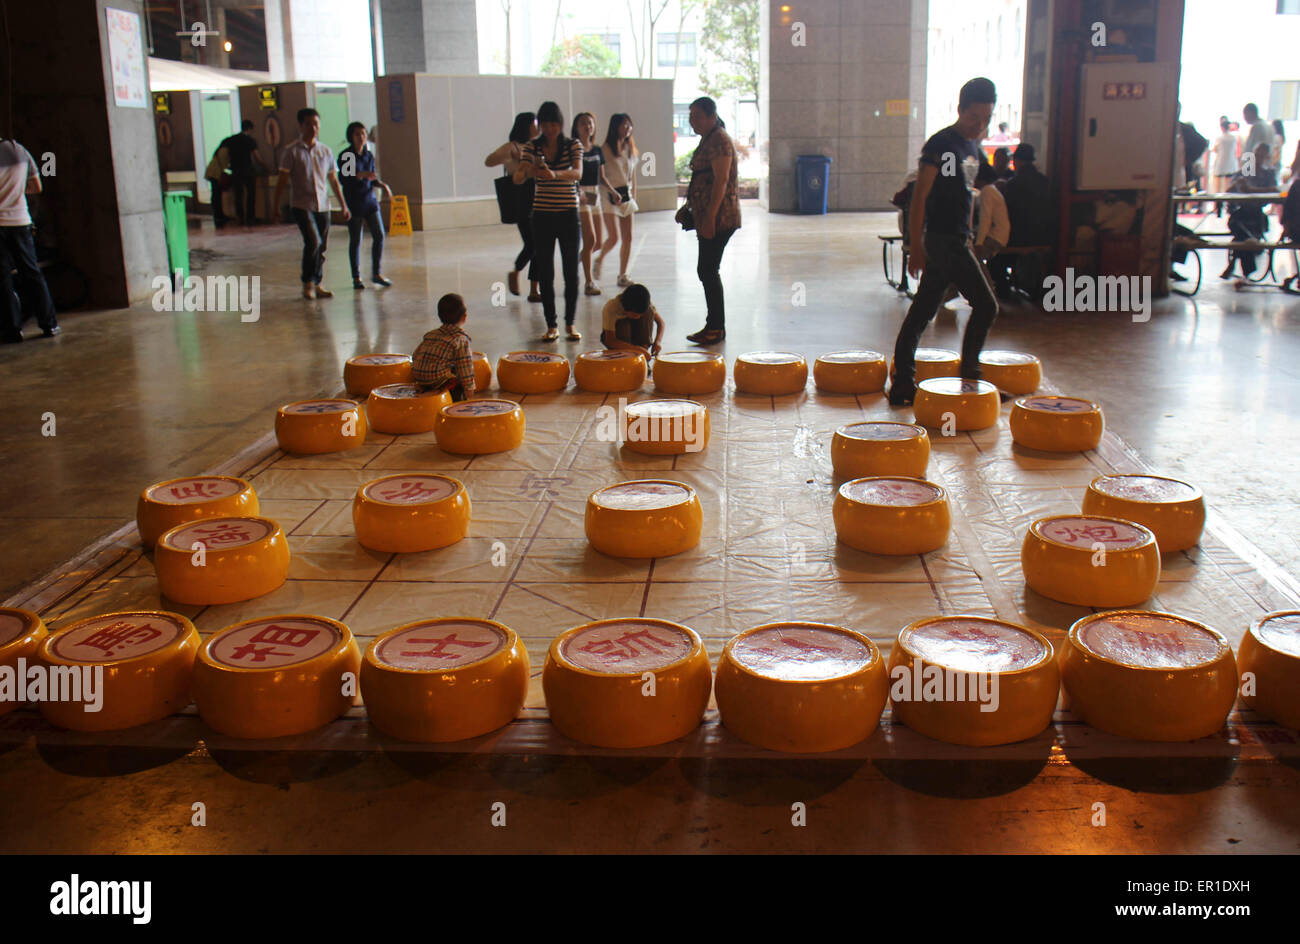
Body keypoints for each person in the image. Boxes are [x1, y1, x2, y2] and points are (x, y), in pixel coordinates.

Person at [888, 77, 998, 407]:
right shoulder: (940, 145)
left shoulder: (972, 147)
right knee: (987, 305)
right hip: (941, 239)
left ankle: (903, 384)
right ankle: (971, 378)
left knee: (923, 310)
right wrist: (916, 246)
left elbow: (970, 193)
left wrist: (971, 238)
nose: (980, 124)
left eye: (986, 119)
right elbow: (920, 197)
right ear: (960, 110)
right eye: (974, 117)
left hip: (957, 239)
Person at [513, 101, 583, 341]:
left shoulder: (573, 145)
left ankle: (570, 324)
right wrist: (528, 171)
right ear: (539, 125)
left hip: (568, 214)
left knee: (571, 270)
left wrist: (554, 174)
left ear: (561, 124)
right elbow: (518, 177)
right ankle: (551, 324)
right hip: (541, 215)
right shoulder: (532, 147)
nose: (550, 128)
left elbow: (577, 173)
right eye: (545, 124)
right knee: (545, 271)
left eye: (553, 124)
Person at [273, 108, 350, 300]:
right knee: (313, 241)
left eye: (316, 124)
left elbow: (333, 180)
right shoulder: (291, 151)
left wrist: (343, 205)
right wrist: (275, 205)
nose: (313, 128)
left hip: (323, 205)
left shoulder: (326, 151)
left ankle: (317, 282)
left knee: (321, 246)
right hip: (301, 204)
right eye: (308, 124)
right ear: (301, 126)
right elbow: (282, 180)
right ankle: (307, 283)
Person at [683, 97, 740, 345]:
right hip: (708, 215)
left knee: (707, 269)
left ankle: (716, 327)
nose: (691, 120)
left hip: (720, 218)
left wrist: (710, 218)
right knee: (706, 269)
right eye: (690, 115)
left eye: (696, 115)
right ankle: (714, 325)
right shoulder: (709, 139)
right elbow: (701, 179)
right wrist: (688, 208)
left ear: (711, 116)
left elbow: (721, 181)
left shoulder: (719, 141)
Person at [0, 138, 59, 342]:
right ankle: (49, 324)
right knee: (32, 272)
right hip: (20, 221)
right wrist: (15, 192)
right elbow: (36, 186)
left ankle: (13, 330)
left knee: (3, 278)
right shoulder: (19, 150)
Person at [486, 112, 540, 301]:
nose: (538, 127)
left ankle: (534, 289)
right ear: (525, 126)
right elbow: (489, 160)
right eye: (534, 124)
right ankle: (516, 272)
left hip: (540, 199)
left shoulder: (537, 146)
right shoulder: (513, 146)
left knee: (538, 246)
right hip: (522, 199)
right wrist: (513, 159)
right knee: (533, 244)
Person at [338, 122, 392, 290]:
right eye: (357, 134)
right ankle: (356, 276)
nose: (361, 137)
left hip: (369, 200)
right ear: (351, 137)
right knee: (356, 239)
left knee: (379, 235)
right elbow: (345, 180)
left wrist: (382, 185)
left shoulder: (368, 155)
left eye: (363, 134)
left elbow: (372, 178)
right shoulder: (347, 156)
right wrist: (360, 175)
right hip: (354, 201)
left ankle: (376, 273)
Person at [1224, 143, 1277, 286]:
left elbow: (1274, 190)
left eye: (1261, 155)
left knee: (1239, 237)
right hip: (1242, 212)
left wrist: (1251, 189)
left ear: (1266, 157)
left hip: (1257, 214)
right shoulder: (1245, 171)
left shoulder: (1268, 174)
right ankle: (1251, 249)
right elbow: (1228, 190)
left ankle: (1235, 263)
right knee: (1239, 228)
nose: (1258, 158)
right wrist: (1237, 185)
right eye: (1256, 154)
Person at [572, 111, 612, 296]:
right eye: (583, 123)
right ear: (576, 127)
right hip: (581, 195)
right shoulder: (574, 148)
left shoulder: (597, 150)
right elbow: (572, 174)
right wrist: (578, 190)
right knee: (591, 239)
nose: (587, 126)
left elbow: (602, 176)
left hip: (595, 193)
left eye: (590, 123)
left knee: (597, 242)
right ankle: (589, 282)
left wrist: (613, 191)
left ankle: (573, 264)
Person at [596, 113, 638, 287]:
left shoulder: (630, 148)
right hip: (610, 195)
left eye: (629, 125)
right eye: (624, 125)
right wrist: (612, 192)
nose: (627, 129)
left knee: (628, 237)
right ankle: (600, 259)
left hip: (626, 195)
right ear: (615, 127)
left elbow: (632, 175)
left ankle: (622, 274)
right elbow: (601, 176)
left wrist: (634, 194)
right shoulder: (605, 149)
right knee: (613, 237)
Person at [411, 293, 476, 401]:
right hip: (438, 379)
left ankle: (426, 388)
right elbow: (465, 367)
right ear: (464, 317)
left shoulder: (431, 334)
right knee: (457, 373)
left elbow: (415, 355)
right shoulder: (460, 339)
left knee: (447, 364)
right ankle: (451, 399)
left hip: (418, 376)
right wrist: (469, 389)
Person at [216, 120, 265, 226]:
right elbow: (257, 158)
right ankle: (250, 217)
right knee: (251, 195)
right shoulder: (250, 140)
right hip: (248, 171)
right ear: (250, 129)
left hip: (236, 171)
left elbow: (220, 150)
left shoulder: (231, 140)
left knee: (238, 195)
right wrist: (265, 167)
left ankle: (240, 217)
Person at [600, 283, 664, 359]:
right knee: (624, 324)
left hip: (637, 341)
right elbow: (610, 340)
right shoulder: (612, 307)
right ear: (626, 307)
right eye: (634, 314)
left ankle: (642, 353)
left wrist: (657, 342)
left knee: (649, 312)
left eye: (640, 314)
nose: (638, 317)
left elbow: (661, 323)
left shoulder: (644, 304)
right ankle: (627, 357)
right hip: (620, 343)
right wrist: (636, 349)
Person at [1209, 116, 1240, 197]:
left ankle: (1217, 204)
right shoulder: (1234, 138)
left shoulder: (1220, 138)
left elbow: (1215, 149)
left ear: (1222, 127)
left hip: (1221, 163)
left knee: (1218, 187)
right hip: (1231, 163)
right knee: (1228, 185)